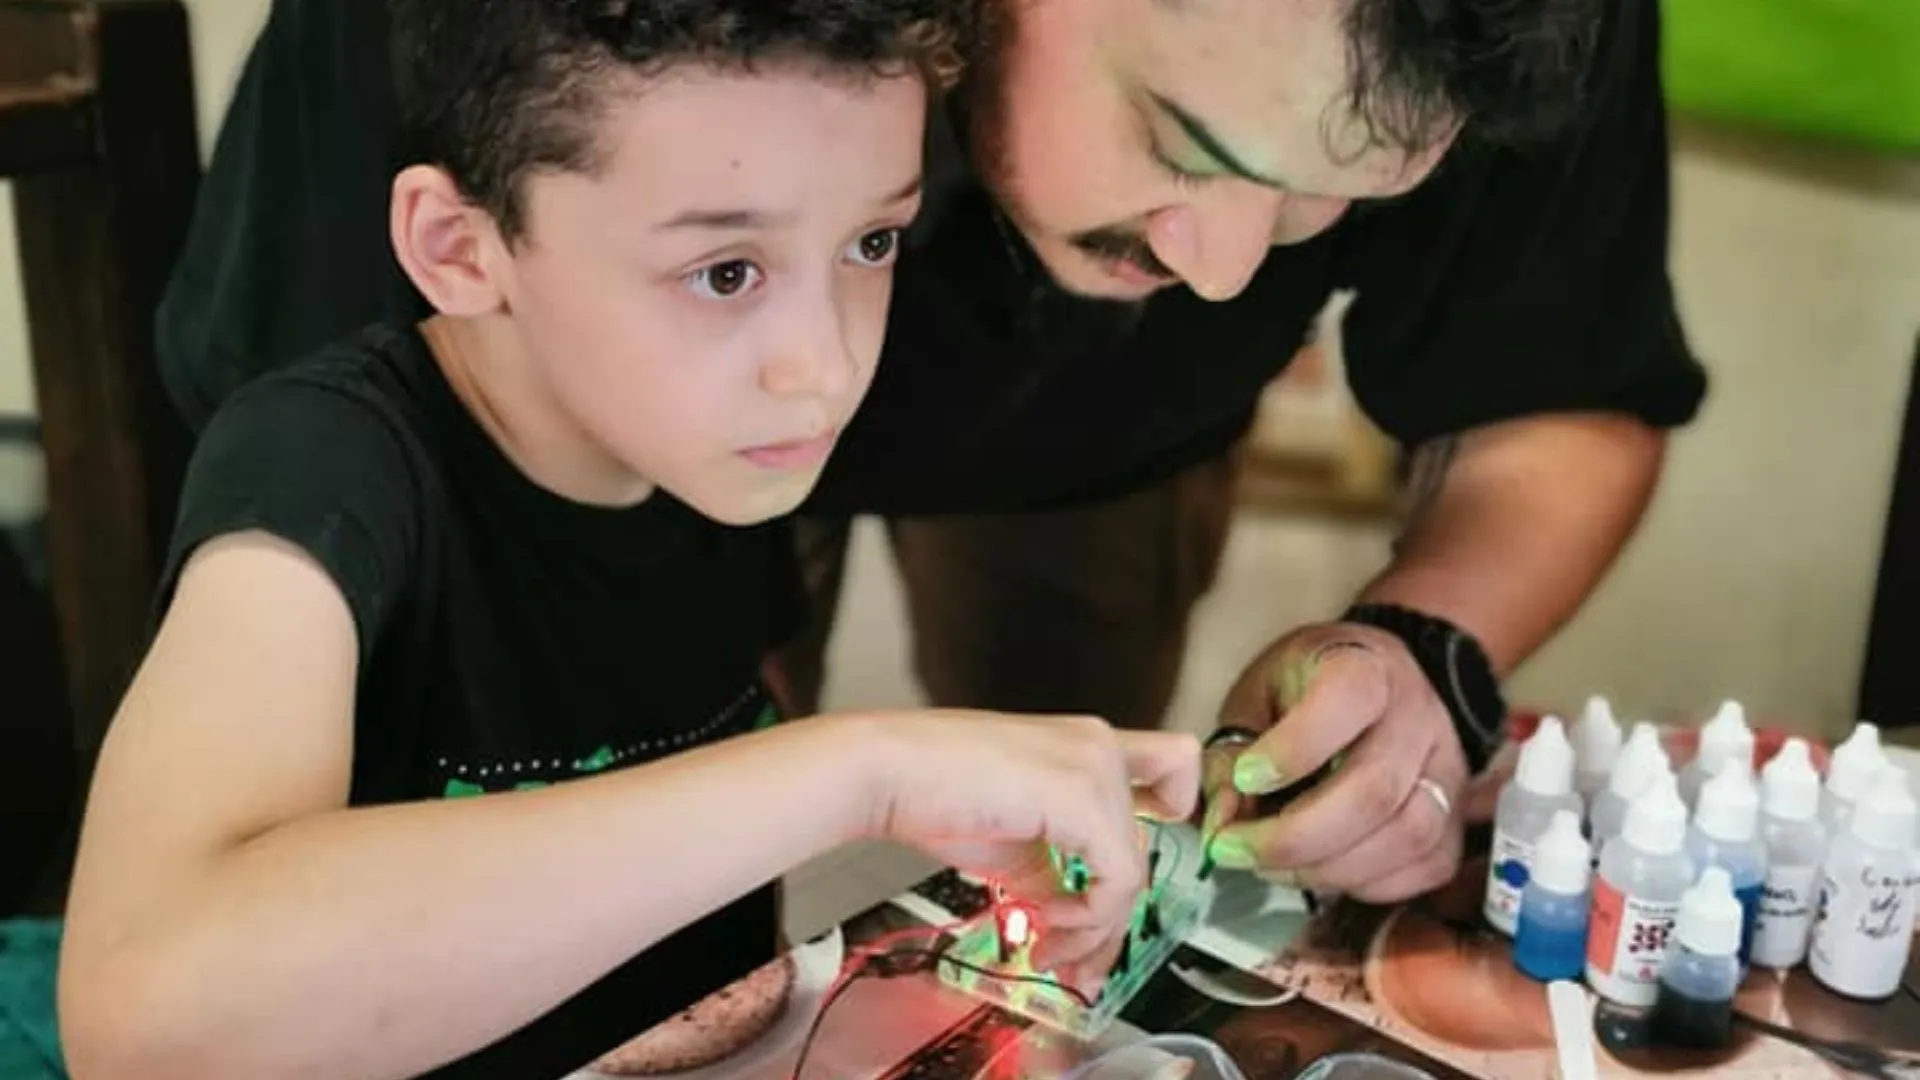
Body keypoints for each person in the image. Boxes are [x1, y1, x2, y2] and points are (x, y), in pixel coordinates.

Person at [152, 0, 1708, 905]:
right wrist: (818, 775)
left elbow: (1558, 378)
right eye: (1184, 142)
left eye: (1335, 200)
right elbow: (201, 974)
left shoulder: (1520, 26)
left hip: (1086, 457)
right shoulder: (375, 425)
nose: (1235, 276)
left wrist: (1423, 647)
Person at [55, 3, 1203, 1078]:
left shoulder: (695, 447)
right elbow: (140, 1009)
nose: (824, 367)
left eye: (871, 243)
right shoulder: (323, 466)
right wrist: (863, 771)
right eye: (725, 271)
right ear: (458, 247)